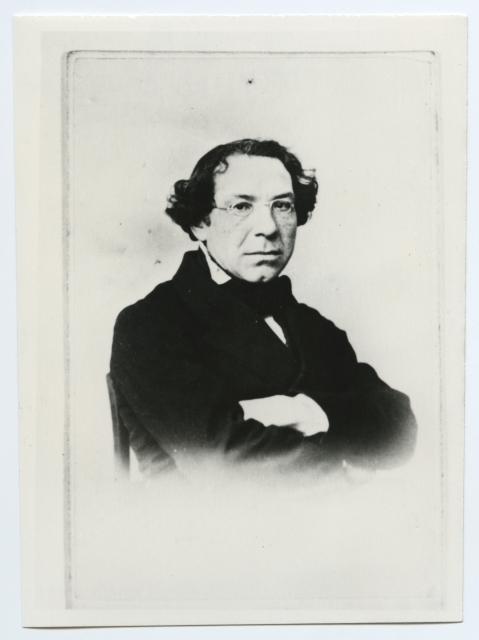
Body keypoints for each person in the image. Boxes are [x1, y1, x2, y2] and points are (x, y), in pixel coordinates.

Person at [110, 138, 417, 478]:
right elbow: (221, 461)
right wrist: (342, 453)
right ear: (200, 222)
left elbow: (400, 429)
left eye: (282, 206)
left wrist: (301, 413)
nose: (269, 228)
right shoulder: (151, 323)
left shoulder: (312, 325)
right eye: (241, 206)